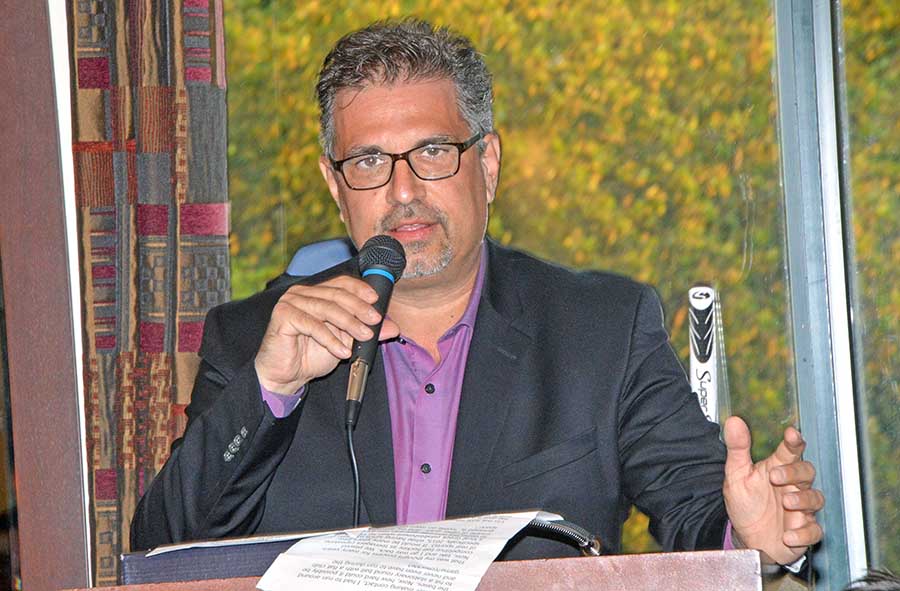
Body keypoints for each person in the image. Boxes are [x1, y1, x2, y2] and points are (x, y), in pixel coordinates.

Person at [131, 19, 823, 565]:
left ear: (487, 164)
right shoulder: (257, 337)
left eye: (433, 152)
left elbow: (697, 507)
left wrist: (750, 535)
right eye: (369, 161)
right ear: (335, 186)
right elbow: (162, 551)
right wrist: (270, 388)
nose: (403, 191)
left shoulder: (601, 329)